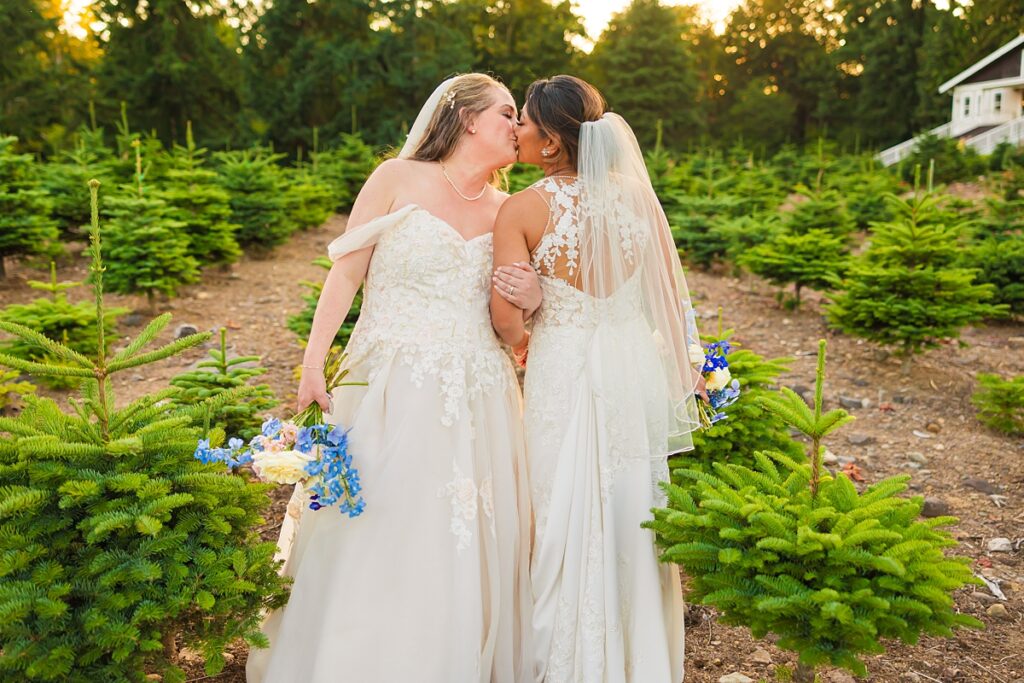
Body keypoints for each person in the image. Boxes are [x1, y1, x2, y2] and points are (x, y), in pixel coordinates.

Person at [247, 73, 539, 683]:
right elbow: (346, 275)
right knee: (375, 516)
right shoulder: (396, 179)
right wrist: (312, 363)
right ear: (466, 118)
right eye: (508, 113)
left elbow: (517, 307)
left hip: (480, 388)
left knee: (465, 529)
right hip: (387, 382)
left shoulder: (508, 208)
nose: (519, 127)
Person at [490, 75, 705, 683]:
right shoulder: (639, 200)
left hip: (563, 366)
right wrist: (682, 368)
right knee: (631, 499)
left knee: (560, 505)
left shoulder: (523, 209)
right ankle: (638, 657)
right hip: (630, 363)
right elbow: (667, 302)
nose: (517, 131)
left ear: (553, 142)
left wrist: (532, 321)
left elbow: (507, 321)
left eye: (525, 122)